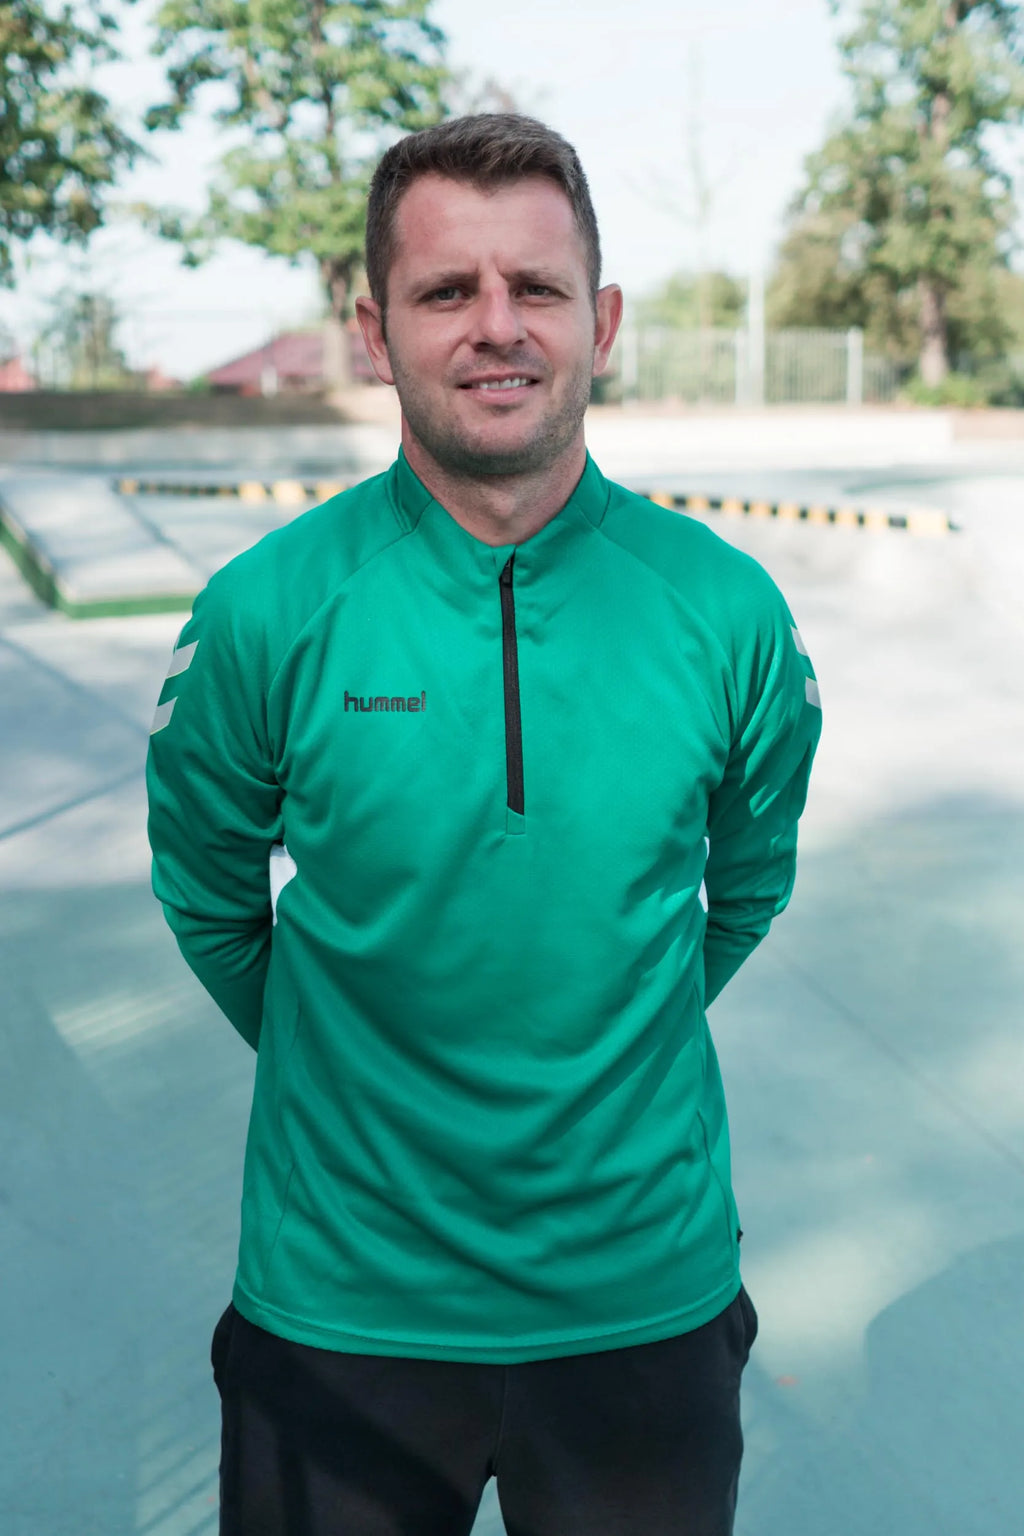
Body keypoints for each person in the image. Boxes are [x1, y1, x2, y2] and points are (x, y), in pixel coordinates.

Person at [146, 113, 821, 1536]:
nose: (496, 325)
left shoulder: (726, 612)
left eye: (537, 288)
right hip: (343, 1305)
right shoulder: (268, 610)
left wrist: (597, 1048)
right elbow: (208, 892)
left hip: (640, 1300)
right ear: (375, 333)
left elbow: (747, 890)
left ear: (603, 322)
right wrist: (358, 1073)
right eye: (447, 290)